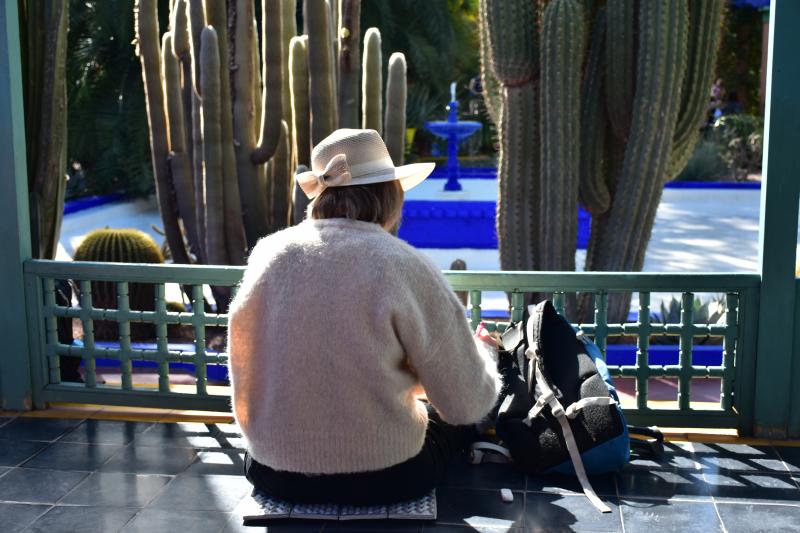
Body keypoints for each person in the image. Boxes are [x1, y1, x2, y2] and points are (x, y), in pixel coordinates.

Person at [227, 128, 501, 505]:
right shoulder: (404, 265)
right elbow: (467, 404)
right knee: (451, 427)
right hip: (387, 477)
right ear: (390, 195)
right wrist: (486, 355)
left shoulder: (267, 254)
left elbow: (246, 366)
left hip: (273, 472)